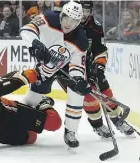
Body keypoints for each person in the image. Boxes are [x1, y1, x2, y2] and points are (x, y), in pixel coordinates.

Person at [57, 1, 134, 137]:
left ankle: (118, 120)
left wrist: (99, 66)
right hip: (68, 69)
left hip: (89, 66)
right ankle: (97, 125)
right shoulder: (64, 24)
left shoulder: (95, 27)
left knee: (106, 93)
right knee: (88, 97)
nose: (84, 15)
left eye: (87, 11)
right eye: (82, 10)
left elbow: (100, 49)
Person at [19, 1, 89, 149]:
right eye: (67, 18)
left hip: (66, 68)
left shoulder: (81, 40)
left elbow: (77, 65)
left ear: (79, 21)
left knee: (77, 93)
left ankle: (70, 131)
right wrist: (35, 44)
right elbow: (26, 29)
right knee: (30, 101)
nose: (69, 24)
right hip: (46, 66)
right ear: (61, 14)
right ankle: (22, 122)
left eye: (74, 21)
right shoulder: (49, 18)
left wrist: (78, 78)